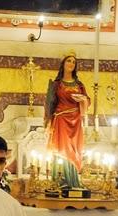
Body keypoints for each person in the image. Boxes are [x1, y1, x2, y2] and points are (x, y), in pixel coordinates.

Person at [44, 51, 90, 188]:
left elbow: (87, 100)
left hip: (75, 121)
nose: (71, 64)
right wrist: (48, 122)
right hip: (60, 120)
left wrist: (83, 99)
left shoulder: (79, 84)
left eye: (74, 62)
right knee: (61, 148)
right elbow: (49, 104)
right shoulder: (56, 84)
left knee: (74, 149)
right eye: (68, 61)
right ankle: (61, 180)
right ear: (63, 64)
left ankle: (73, 180)